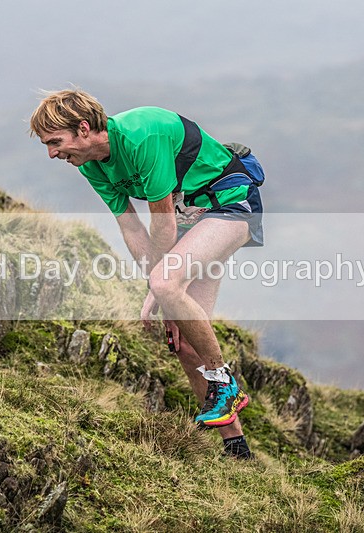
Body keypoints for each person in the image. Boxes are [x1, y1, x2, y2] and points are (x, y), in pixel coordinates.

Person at [29, 88, 265, 459]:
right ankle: (237, 449)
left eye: (55, 142)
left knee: (166, 283)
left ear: (84, 128)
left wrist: (159, 288)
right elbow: (131, 228)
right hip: (191, 217)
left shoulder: (142, 135)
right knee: (184, 341)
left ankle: (223, 379)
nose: (52, 154)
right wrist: (163, 290)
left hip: (229, 202)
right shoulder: (91, 165)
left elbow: (163, 223)